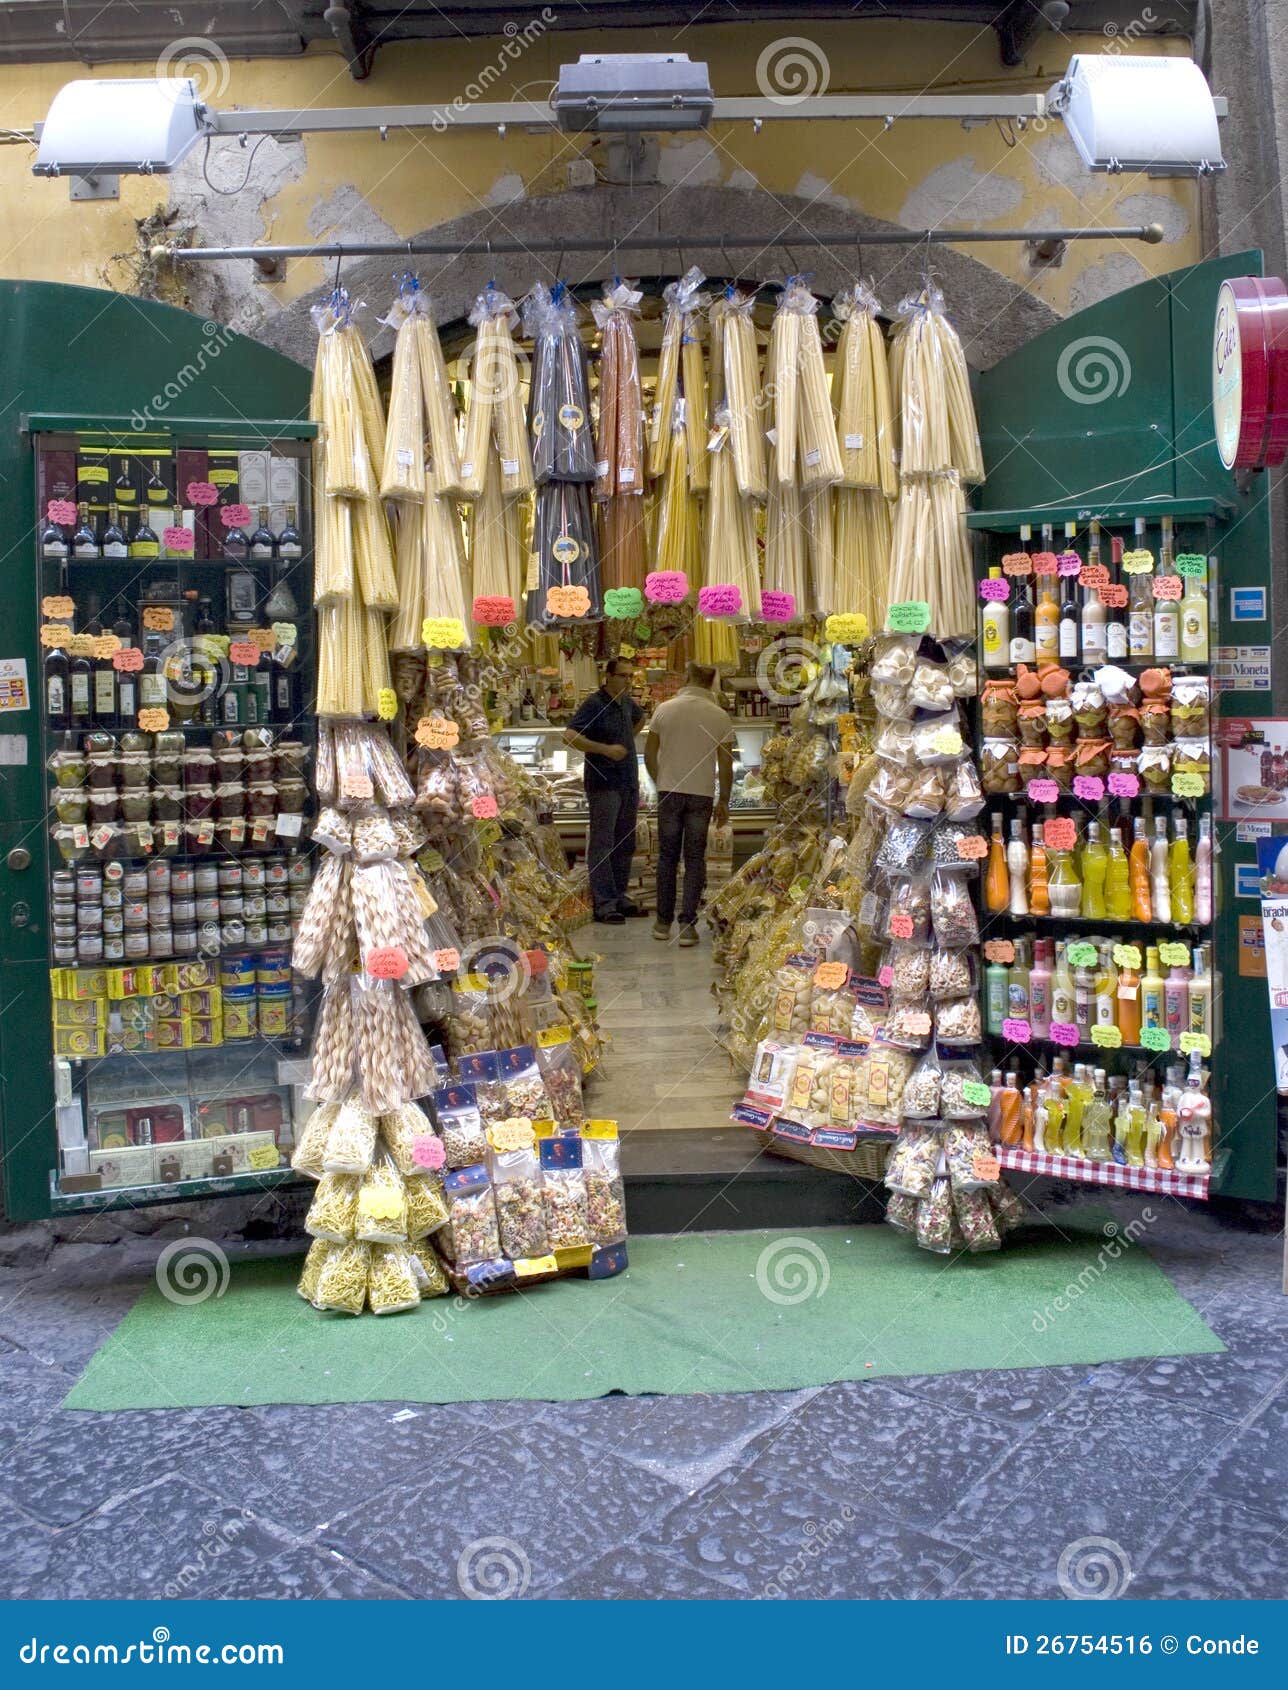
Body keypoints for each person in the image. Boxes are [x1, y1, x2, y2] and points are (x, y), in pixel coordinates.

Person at [644, 661, 734, 947]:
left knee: (667, 858)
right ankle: (687, 925)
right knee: (695, 859)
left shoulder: (664, 709)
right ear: (710, 684)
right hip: (702, 795)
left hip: (669, 791)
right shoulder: (719, 715)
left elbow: (649, 753)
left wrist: (662, 782)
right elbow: (726, 763)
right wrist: (724, 801)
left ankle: (662, 922)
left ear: (686, 677)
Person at [564, 656, 647, 925]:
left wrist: (626, 741)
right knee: (603, 843)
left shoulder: (625, 702)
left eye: (630, 677)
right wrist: (605, 750)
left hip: (628, 781)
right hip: (603, 783)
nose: (627, 681)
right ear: (608, 676)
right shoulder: (595, 703)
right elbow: (570, 736)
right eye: (623, 676)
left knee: (625, 842)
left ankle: (620, 895)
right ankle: (604, 903)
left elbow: (640, 718)